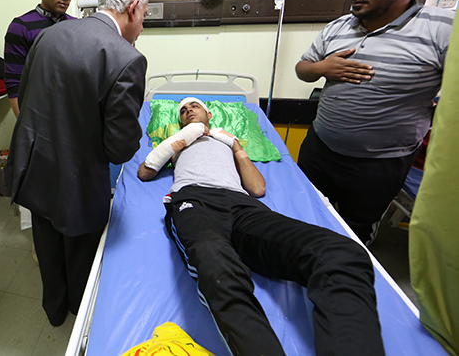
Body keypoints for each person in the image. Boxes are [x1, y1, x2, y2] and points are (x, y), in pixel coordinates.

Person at [137, 97, 385, 356]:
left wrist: (234, 144)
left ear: (209, 114)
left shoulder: (225, 141)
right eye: (183, 110)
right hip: (194, 201)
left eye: (194, 106)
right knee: (217, 265)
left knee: (341, 253)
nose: (189, 110)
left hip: (242, 206)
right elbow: (145, 172)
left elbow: (257, 188)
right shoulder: (178, 141)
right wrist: (184, 136)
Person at [6, 0, 149, 326]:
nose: (142, 27)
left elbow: (27, 97)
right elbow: (119, 149)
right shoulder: (126, 58)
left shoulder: (49, 35)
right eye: (144, 16)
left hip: (37, 169)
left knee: (48, 250)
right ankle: (79, 317)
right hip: (78, 182)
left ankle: (54, 312)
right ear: (133, 8)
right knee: (81, 257)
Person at [295, 0, 454, 244]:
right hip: (320, 149)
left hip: (380, 165)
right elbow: (303, 69)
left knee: (355, 234)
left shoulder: (443, 30)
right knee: (302, 215)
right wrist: (322, 68)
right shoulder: (337, 28)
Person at [3, 0, 82, 117]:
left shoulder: (77, 25)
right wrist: (26, 126)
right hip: (40, 115)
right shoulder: (20, 27)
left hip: (75, 112)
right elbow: (14, 84)